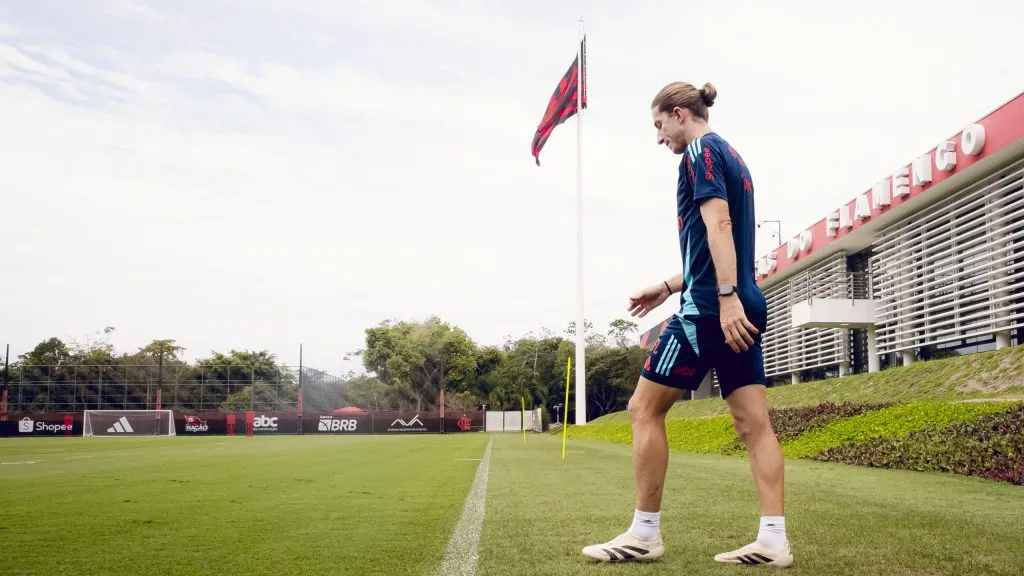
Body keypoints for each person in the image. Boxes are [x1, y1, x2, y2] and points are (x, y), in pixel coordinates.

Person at [581, 81, 792, 568]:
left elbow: (718, 226)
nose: (659, 138)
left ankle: (644, 533)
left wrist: (722, 298)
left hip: (711, 310)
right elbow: (720, 239)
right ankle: (774, 539)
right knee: (754, 424)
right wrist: (668, 286)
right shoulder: (731, 155)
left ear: (679, 113)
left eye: (659, 125)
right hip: (737, 300)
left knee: (642, 409)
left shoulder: (697, 151)